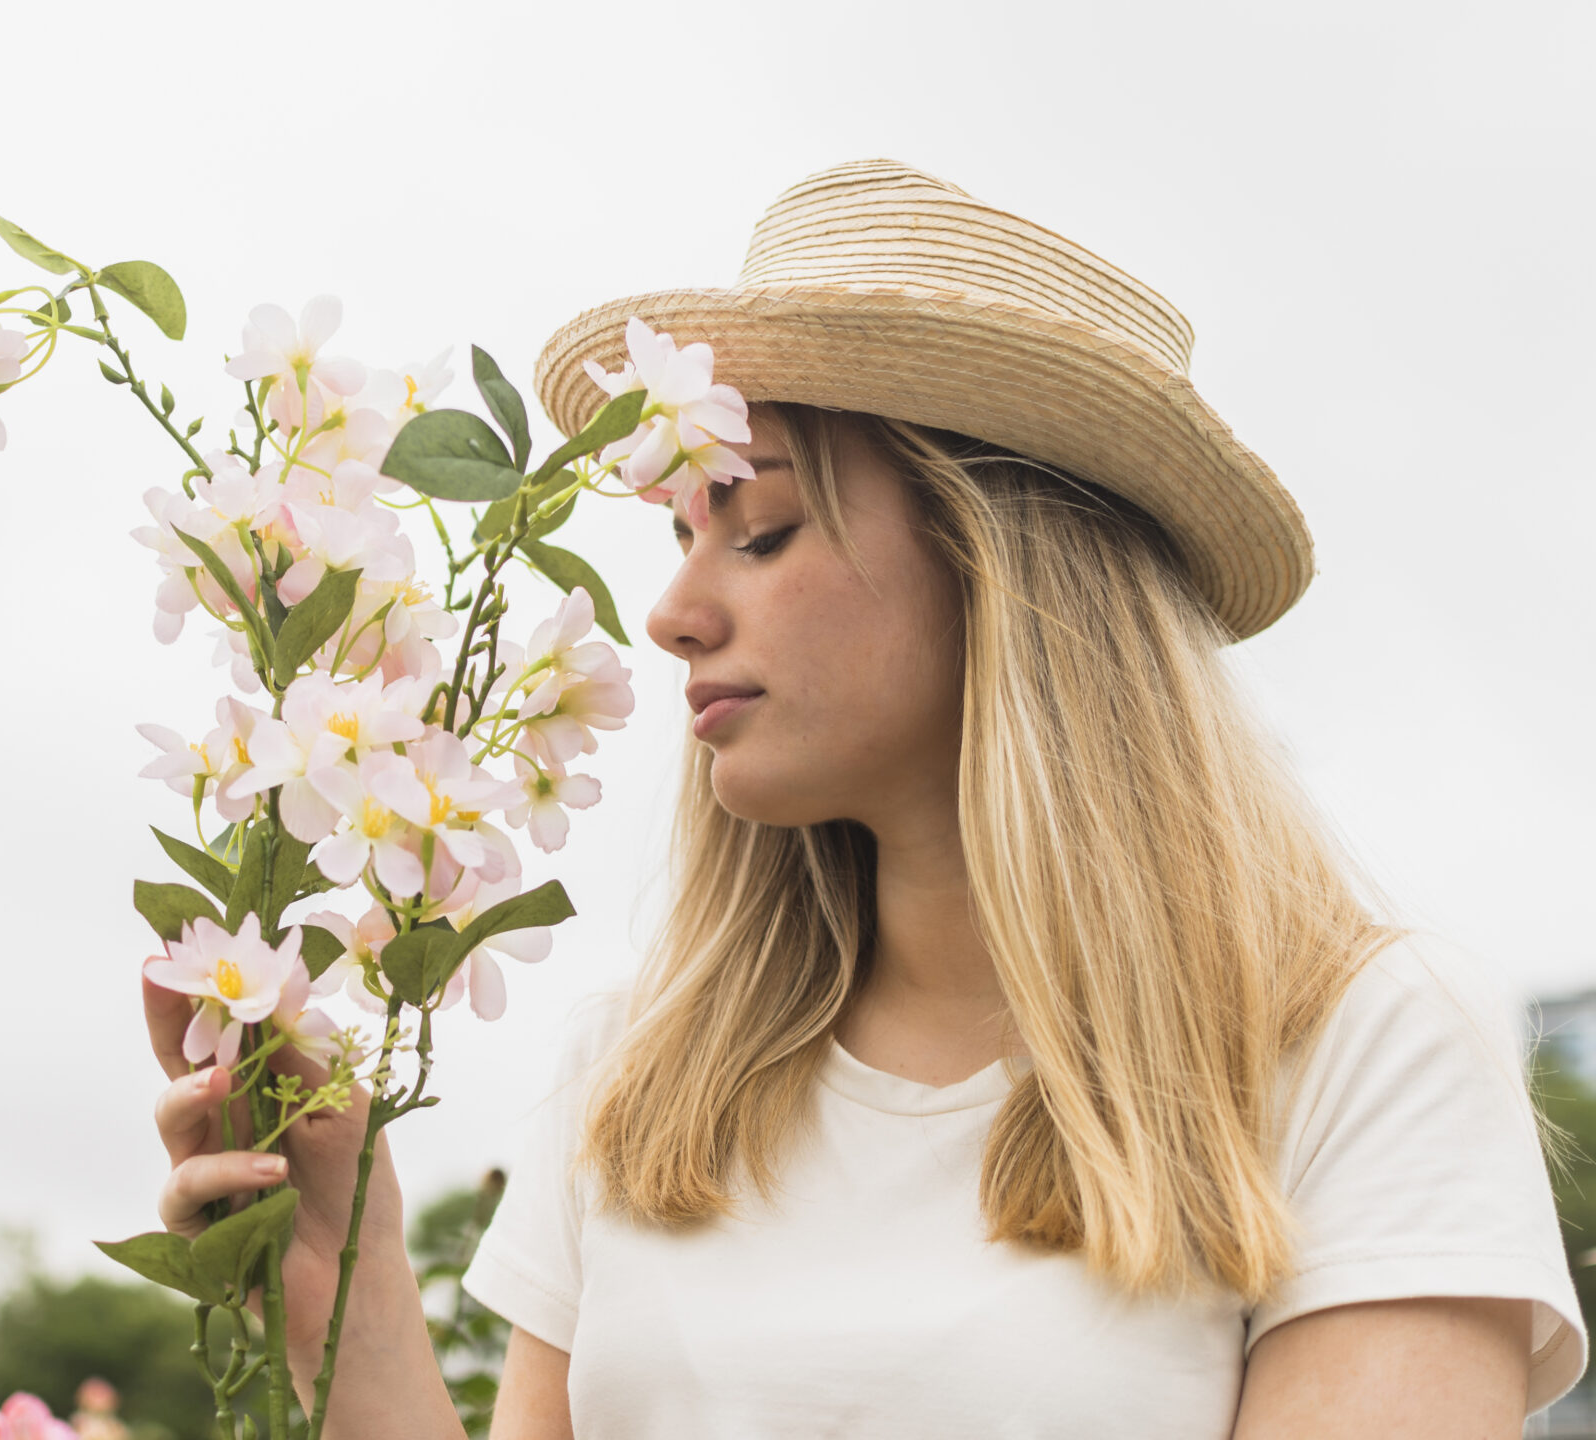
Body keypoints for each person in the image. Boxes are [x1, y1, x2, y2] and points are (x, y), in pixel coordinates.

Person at [141, 159, 1586, 1438]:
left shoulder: (1360, 1047)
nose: (671, 616)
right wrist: (351, 1286)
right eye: (682, 537)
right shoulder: (632, 1079)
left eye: (761, 530)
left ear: (1004, 568)